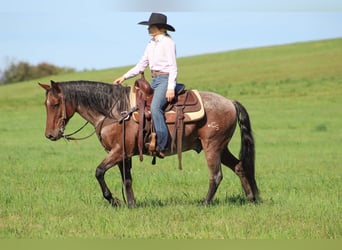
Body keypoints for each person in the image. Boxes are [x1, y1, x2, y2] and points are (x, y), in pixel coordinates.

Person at [113, 13, 177, 158]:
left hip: (165, 79)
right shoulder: (151, 44)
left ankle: (163, 144)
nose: (148, 28)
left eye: (151, 26)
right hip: (154, 80)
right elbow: (141, 65)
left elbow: (173, 67)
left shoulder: (168, 43)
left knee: (155, 108)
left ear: (160, 28)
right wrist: (124, 76)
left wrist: (171, 87)